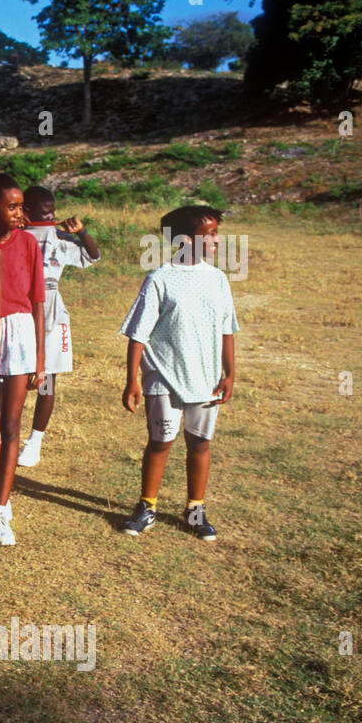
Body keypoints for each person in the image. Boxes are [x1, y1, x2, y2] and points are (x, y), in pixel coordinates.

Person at [120, 205, 237, 541]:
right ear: (186, 240)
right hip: (163, 377)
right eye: (210, 234)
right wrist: (132, 379)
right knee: (160, 442)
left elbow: (227, 329)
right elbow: (138, 334)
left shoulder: (218, 279)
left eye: (216, 233)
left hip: (206, 377)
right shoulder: (159, 279)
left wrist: (229, 373)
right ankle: (147, 506)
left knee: (199, 443)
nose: (217, 240)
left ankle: (195, 509)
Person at [0, 172, 45, 546]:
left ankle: (0, 508)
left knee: (12, 424)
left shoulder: (30, 243)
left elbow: (36, 301)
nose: (19, 213)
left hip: (18, 333)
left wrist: (40, 357)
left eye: (21, 206)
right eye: (12, 206)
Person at [17, 186, 100, 468]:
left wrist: (82, 232)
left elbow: (92, 257)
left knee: (48, 377)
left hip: (52, 307)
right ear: (25, 211)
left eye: (52, 210)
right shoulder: (16, 234)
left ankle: (34, 442)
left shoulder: (59, 237)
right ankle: (5, 436)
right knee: (14, 375)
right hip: (21, 305)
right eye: (44, 211)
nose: (50, 215)